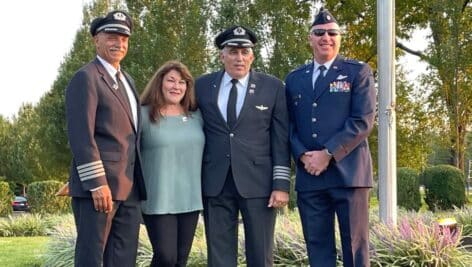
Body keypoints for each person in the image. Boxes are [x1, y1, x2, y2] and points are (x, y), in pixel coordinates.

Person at [285, 7, 376, 267]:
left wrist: (328, 154)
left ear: (339, 38)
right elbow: (288, 125)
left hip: (349, 176)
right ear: (310, 38)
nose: (326, 37)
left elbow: (362, 121)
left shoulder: (357, 72)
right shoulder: (294, 79)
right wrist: (303, 155)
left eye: (332, 33)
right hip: (310, 176)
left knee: (355, 249)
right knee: (317, 248)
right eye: (319, 32)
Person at [195, 25, 291, 267]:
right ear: (222, 55)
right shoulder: (202, 86)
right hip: (215, 182)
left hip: (258, 183)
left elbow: (280, 139)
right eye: (233, 51)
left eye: (244, 52)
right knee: (219, 257)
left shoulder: (273, 87)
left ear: (252, 56)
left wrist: (281, 184)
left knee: (260, 255)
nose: (239, 57)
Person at [65, 10, 146, 267]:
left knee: (123, 259)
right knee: (92, 258)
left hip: (129, 187)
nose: (118, 43)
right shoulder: (86, 78)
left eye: (124, 38)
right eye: (111, 36)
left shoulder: (128, 80)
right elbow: (81, 136)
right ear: (96, 40)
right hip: (100, 190)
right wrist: (97, 183)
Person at [139, 61, 204, 267]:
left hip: (190, 198)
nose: (177, 86)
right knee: (166, 257)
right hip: (158, 198)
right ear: (159, 83)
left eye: (182, 82)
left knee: (180, 260)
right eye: (171, 80)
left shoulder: (197, 117)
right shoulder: (142, 116)